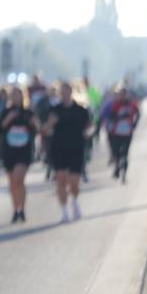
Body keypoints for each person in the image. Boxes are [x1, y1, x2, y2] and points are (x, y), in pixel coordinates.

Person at [44, 82, 91, 222]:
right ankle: (64, 211)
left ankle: (75, 201)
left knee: (74, 182)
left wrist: (88, 133)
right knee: (60, 179)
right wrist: (50, 123)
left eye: (67, 91)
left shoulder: (81, 110)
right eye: (62, 92)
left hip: (76, 148)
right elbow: (45, 130)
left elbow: (89, 127)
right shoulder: (54, 110)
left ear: (71, 92)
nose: (64, 94)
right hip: (58, 148)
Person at [0, 85, 39, 223]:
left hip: (24, 150)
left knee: (19, 179)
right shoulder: (6, 111)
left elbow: (36, 130)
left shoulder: (28, 112)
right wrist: (8, 119)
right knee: (13, 183)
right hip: (9, 150)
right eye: (14, 95)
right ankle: (16, 209)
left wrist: (34, 124)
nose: (16, 97)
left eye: (19, 94)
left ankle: (22, 208)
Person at [105, 84, 140, 182]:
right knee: (117, 153)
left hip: (127, 133)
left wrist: (134, 124)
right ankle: (117, 167)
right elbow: (110, 116)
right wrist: (118, 118)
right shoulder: (115, 104)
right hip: (116, 133)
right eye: (121, 94)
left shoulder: (131, 104)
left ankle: (124, 174)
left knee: (125, 153)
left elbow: (138, 113)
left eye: (124, 94)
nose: (122, 96)